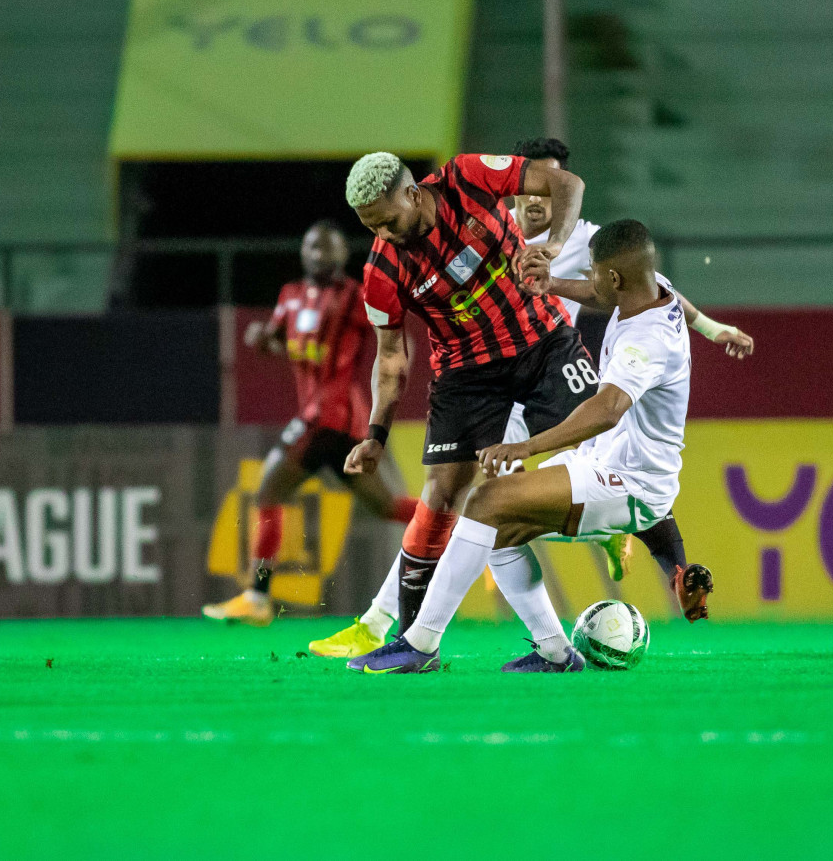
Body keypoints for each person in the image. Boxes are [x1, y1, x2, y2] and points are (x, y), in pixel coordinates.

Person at [349, 218, 707, 674]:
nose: (592, 279)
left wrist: (526, 447)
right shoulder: (653, 288)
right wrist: (552, 283)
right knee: (492, 534)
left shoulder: (647, 340)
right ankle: (555, 652)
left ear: (615, 277)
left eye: (594, 271)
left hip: (627, 483)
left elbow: (607, 410)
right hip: (619, 469)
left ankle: (420, 645)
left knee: (485, 501)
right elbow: (601, 295)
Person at [308, 150, 593, 658]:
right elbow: (391, 358)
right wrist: (375, 435)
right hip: (466, 372)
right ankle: (413, 641)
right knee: (441, 495)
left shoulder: (467, 177)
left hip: (543, 341)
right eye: (372, 228)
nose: (386, 235)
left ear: (413, 193)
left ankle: (637, 538)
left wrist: (552, 244)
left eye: (389, 221)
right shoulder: (381, 271)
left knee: (602, 446)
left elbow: (567, 182)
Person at [503, 138, 754, 590]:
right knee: (502, 507)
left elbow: (608, 406)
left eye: (551, 188)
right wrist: (715, 330)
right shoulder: (642, 282)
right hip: (606, 442)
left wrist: (529, 447)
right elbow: (652, 287)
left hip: (561, 387)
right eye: (533, 186)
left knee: (496, 511)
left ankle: (548, 642)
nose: (540, 199)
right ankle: (657, 560)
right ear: (515, 186)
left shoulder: (590, 249)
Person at [203, 221, 418, 625]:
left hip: (331, 417)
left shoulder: (356, 296)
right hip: (329, 424)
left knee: (269, 491)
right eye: (313, 247)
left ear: (341, 254)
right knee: (386, 506)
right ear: (303, 252)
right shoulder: (291, 295)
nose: (320, 254)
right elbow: (277, 338)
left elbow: (393, 329)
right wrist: (261, 339)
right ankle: (461, 526)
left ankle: (257, 597)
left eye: (328, 248)